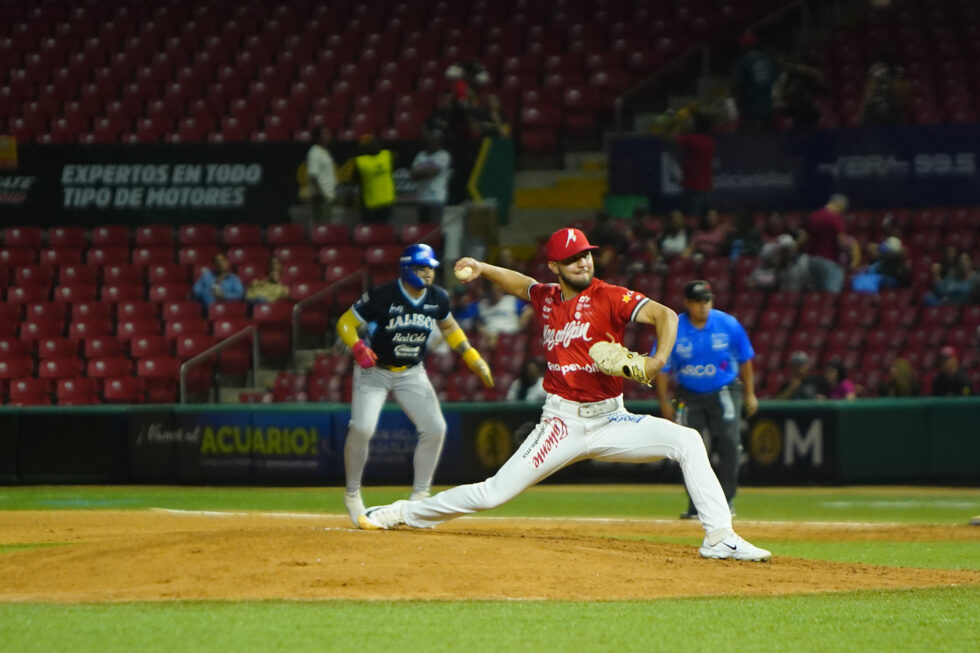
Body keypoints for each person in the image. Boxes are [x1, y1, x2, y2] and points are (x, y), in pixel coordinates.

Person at [358, 227, 772, 562]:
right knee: (492, 493)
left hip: (612, 418)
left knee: (688, 441)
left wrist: (658, 360)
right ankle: (404, 512)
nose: (583, 261)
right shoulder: (547, 298)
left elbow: (663, 314)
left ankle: (719, 537)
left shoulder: (610, 296)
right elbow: (523, 284)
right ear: (556, 266)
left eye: (587, 254)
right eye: (573, 258)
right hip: (562, 423)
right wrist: (482, 267)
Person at [336, 243, 494, 526]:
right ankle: (352, 494)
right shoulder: (382, 295)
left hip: (411, 371)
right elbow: (345, 322)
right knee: (361, 428)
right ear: (407, 269)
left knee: (435, 428)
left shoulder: (437, 297)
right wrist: (357, 346)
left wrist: (471, 354)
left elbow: (449, 327)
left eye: (431, 268)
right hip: (375, 370)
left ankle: (420, 498)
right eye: (422, 268)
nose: (429, 273)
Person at [653, 280, 758, 520]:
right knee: (688, 447)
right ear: (687, 303)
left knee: (730, 442)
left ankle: (727, 500)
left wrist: (750, 394)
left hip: (724, 390)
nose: (703, 306)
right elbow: (661, 366)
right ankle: (696, 505)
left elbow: (745, 359)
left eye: (707, 300)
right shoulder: (674, 327)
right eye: (698, 301)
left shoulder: (727, 324)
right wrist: (664, 402)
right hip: (688, 394)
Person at [803, 194, 860, 293]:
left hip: (812, 261)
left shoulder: (813, 216)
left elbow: (805, 239)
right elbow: (841, 244)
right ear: (841, 205)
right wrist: (850, 255)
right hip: (829, 261)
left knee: (817, 294)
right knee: (831, 296)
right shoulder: (835, 218)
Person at [668, 111, 716, 219]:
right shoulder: (709, 142)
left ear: (696, 125)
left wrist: (679, 122)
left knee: (692, 220)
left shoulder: (693, 140)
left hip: (693, 188)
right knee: (705, 220)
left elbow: (671, 136)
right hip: (706, 188)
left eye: (692, 122)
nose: (690, 124)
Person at [732, 31, 780, 132]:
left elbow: (738, 87)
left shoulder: (743, 62)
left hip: (750, 111)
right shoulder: (768, 60)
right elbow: (776, 81)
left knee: (751, 143)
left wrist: (738, 109)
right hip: (768, 109)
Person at [351, 134, 396, 224]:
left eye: (371, 142)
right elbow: (354, 180)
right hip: (369, 205)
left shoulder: (388, 155)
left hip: (386, 202)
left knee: (383, 231)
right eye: (365, 144)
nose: (370, 145)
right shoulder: (359, 161)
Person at [410, 130, 452, 224]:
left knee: (434, 230)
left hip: (437, 199)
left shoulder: (444, 155)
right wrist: (427, 171)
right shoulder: (420, 155)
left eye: (435, 140)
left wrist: (421, 171)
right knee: (423, 231)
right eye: (430, 140)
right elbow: (412, 175)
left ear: (439, 142)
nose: (432, 142)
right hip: (421, 199)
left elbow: (433, 173)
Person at [306, 127, 336, 224]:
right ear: (317, 138)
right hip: (321, 196)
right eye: (324, 134)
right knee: (322, 225)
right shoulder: (314, 152)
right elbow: (313, 175)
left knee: (327, 224)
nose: (328, 137)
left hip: (328, 195)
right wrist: (319, 194)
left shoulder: (325, 151)